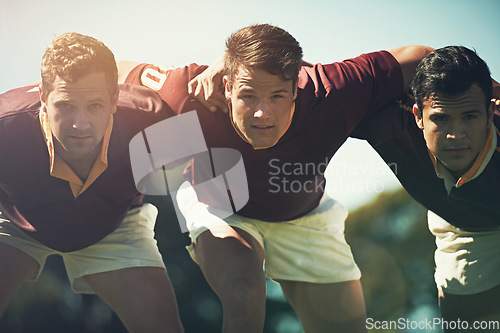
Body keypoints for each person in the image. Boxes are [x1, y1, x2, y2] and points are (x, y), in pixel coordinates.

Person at [121, 24, 433, 332]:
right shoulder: (189, 90)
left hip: (305, 216)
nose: (262, 113)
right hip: (220, 206)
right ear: (227, 87)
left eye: (277, 96)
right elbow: (113, 69)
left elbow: (420, 57)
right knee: (243, 294)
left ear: (296, 87)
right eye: (248, 95)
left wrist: (484, 97)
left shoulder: (335, 89)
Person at [0, 33, 184, 332]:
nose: (80, 124)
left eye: (95, 106)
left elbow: (202, 163)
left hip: (115, 224)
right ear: (44, 97)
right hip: (14, 220)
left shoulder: (152, 120)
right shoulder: (4, 125)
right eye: (66, 106)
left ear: (114, 99)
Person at [352, 46, 500, 331]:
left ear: (490, 110)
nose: (455, 135)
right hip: (465, 225)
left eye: (469, 117)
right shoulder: (387, 122)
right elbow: (316, 89)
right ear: (419, 115)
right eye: (441, 119)